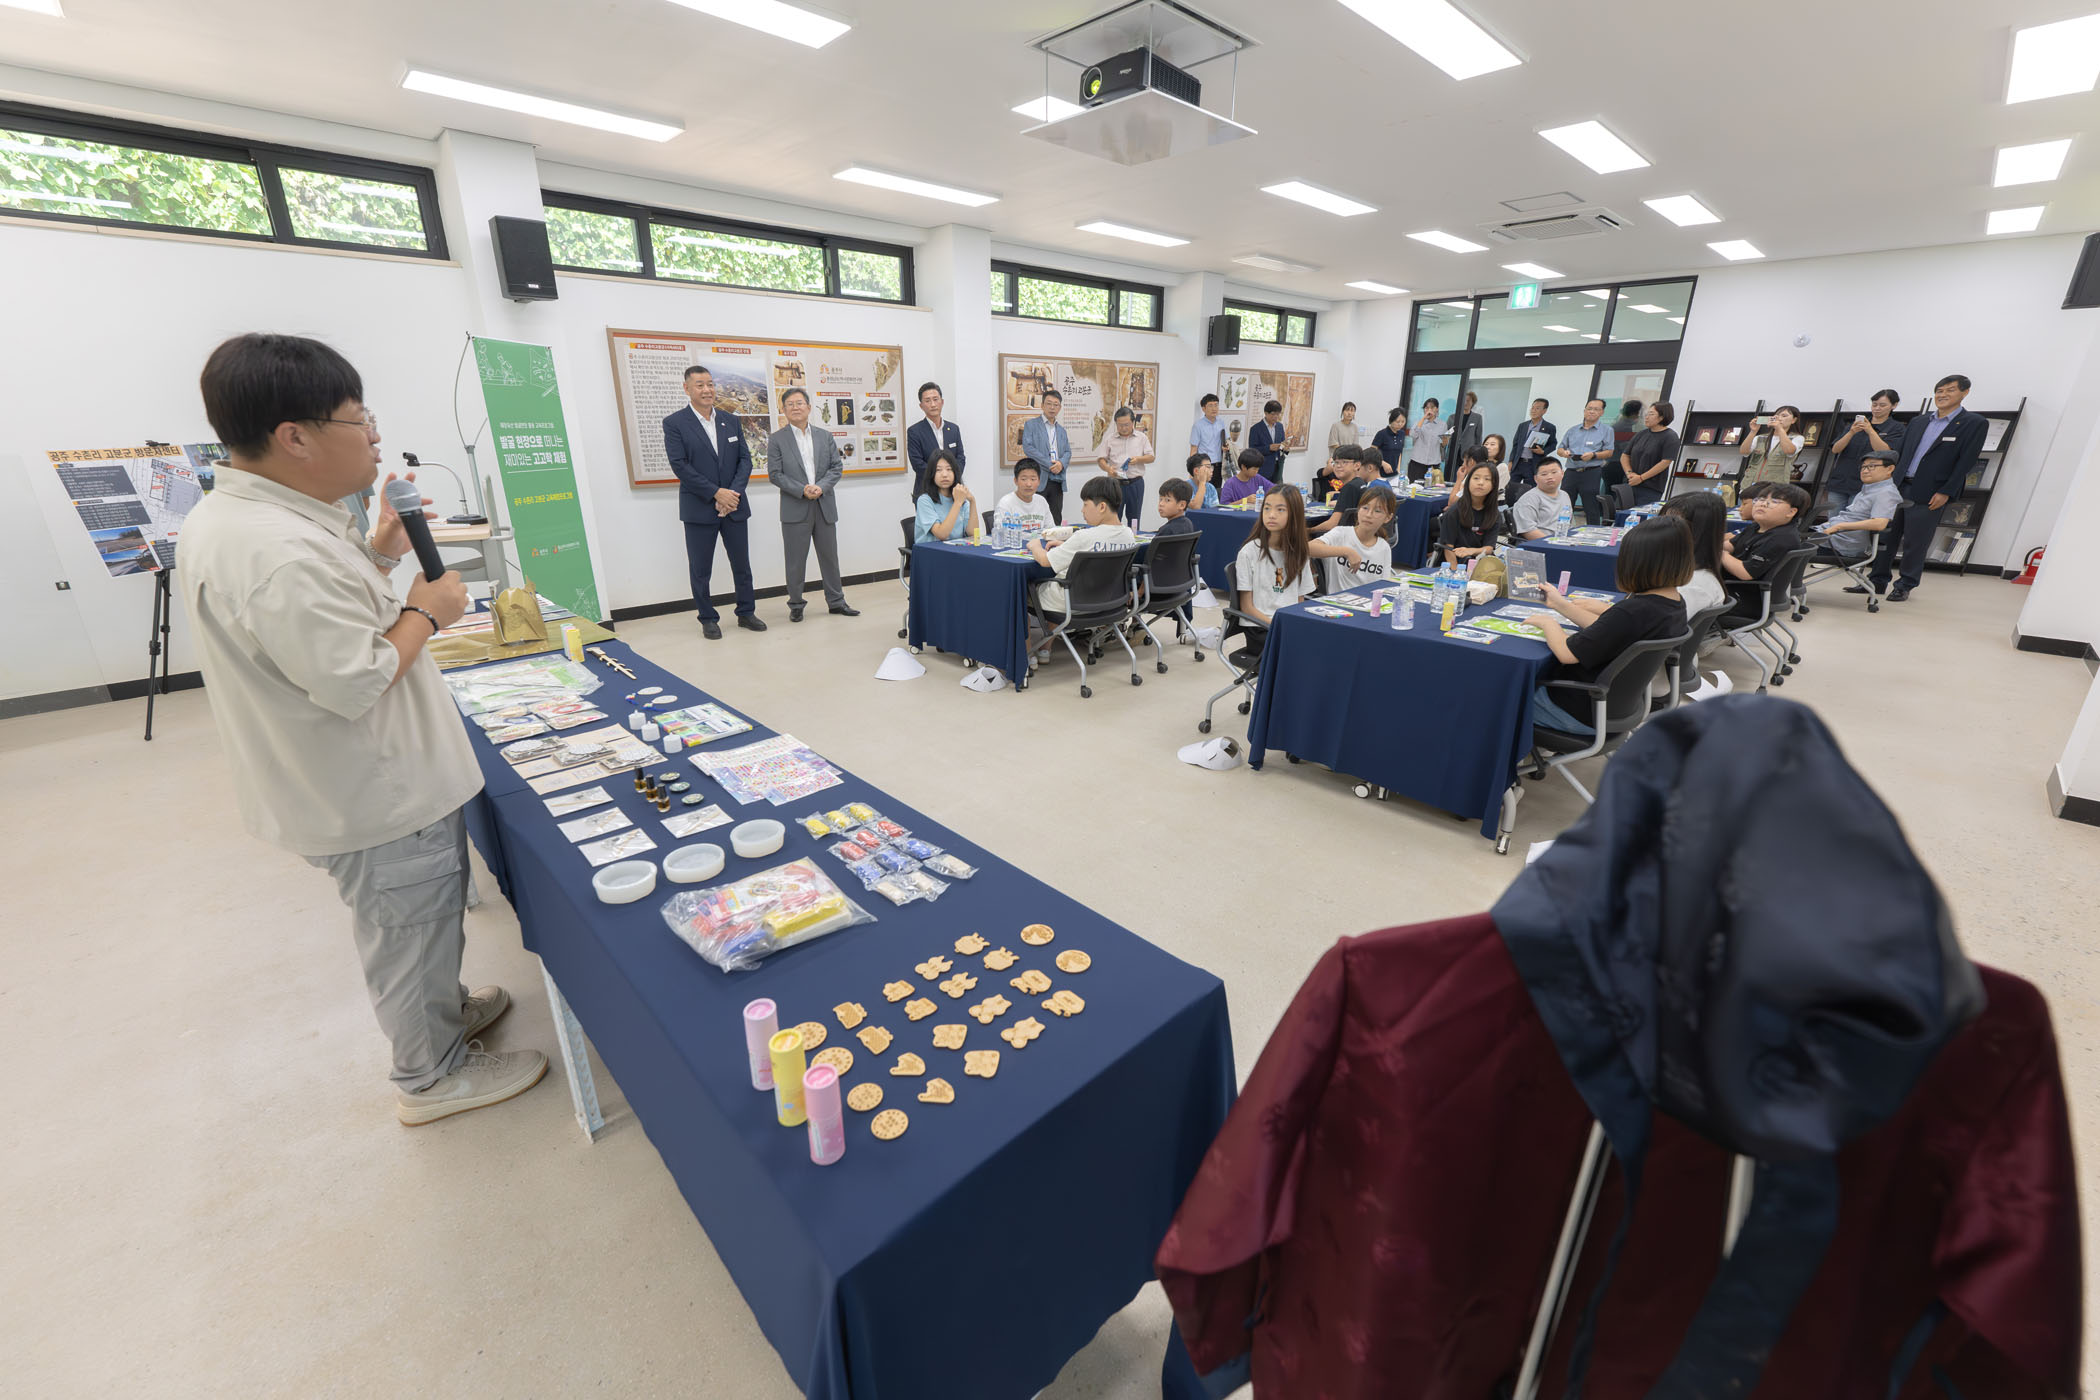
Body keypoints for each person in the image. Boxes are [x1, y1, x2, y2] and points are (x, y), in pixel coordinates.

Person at [179, 332, 544, 1125]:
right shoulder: (275, 549)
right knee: (407, 926)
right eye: (359, 419)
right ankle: (430, 1077)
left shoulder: (261, 519)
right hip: (374, 789)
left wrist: (378, 552)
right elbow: (353, 676)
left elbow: (330, 619)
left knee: (422, 919)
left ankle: (442, 1014)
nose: (375, 436)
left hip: (358, 777)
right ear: (295, 437)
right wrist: (426, 610)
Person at [1528, 517, 1693, 734]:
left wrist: (1548, 623)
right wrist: (1560, 605)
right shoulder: (1673, 604)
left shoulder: (1633, 610)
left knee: (1506, 696)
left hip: (1578, 709)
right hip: (1617, 708)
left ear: (1637, 564)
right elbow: (1608, 631)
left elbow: (1567, 654)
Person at [665, 364, 763, 639]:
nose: (707, 390)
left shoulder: (730, 420)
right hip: (699, 508)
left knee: (742, 565)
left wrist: (731, 494)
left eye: (710, 384)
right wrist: (716, 493)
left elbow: (745, 460)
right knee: (701, 569)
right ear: (687, 388)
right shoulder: (675, 423)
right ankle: (708, 618)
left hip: (734, 506)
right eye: (700, 385)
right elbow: (680, 466)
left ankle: (746, 612)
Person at [1871, 374, 1988, 602]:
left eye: (1950, 390)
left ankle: (1905, 584)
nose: (1943, 395)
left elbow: (1967, 461)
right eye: (1939, 391)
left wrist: (1946, 491)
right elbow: (1899, 454)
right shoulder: (1919, 421)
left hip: (1931, 491)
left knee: (1915, 541)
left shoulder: (1973, 423)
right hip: (1898, 487)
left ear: (1965, 393)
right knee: (1885, 537)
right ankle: (1876, 581)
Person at [769, 387, 856, 622]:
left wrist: (821, 487)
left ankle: (836, 602)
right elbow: (775, 474)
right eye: (790, 404)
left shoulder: (824, 436)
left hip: (823, 505)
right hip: (795, 507)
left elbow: (836, 468)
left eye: (799, 403)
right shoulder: (777, 439)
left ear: (808, 407)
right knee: (795, 561)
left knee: (830, 558)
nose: (795, 407)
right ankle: (796, 604)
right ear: (783, 410)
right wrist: (802, 490)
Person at [1235, 485, 1364, 627]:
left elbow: (1299, 601)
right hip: (1259, 626)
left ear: (1294, 515)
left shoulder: (1297, 552)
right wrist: (1276, 626)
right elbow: (1247, 607)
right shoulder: (1249, 552)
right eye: (1267, 508)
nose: (1271, 515)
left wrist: (1297, 624)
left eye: (1280, 509)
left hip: (1288, 622)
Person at [1027, 475, 1134, 615]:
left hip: (1069, 602)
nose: (1082, 510)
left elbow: (1045, 560)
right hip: (1108, 600)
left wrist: (1035, 545)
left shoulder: (1084, 537)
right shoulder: (1128, 535)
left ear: (1102, 507)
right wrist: (1066, 545)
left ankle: (1045, 630)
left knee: (1021, 592)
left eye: (1085, 504)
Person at [1719, 482, 1809, 623]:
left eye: (1774, 501)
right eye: (1760, 499)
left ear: (1791, 512)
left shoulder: (1781, 538)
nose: (1762, 504)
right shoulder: (1757, 527)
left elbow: (1745, 573)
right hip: (1732, 589)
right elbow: (1729, 545)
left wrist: (1721, 554)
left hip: (1745, 600)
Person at [1817, 451, 1902, 571]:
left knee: (1792, 549)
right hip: (1833, 538)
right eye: (1863, 467)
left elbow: (1879, 523)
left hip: (1843, 545)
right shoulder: (1869, 489)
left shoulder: (1886, 493)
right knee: (1792, 540)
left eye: (1872, 466)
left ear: (1889, 469)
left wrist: (1839, 526)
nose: (1865, 471)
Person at [1823, 389, 1901, 513]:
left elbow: (1884, 452)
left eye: (1882, 405)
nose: (1877, 408)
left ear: (1894, 405)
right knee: (1833, 521)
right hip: (1840, 481)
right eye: (1874, 404)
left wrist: (1870, 431)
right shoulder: (1854, 425)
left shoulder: (1896, 428)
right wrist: (1851, 432)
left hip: (1866, 485)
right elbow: (1835, 449)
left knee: (1855, 521)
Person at [1658, 491, 1731, 618]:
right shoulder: (1683, 571)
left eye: (1671, 523)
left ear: (1698, 532)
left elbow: (1662, 624)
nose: (1659, 528)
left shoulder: (1693, 585)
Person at [1327, 483, 1397, 591]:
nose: (1368, 515)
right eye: (1365, 508)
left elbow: (1384, 585)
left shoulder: (1384, 547)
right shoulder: (1341, 534)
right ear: (1358, 509)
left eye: (1377, 511)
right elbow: (1309, 548)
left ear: (1388, 518)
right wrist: (1346, 551)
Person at [1557, 398, 1615, 525]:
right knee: (1564, 505)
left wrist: (1593, 455)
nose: (1592, 412)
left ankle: (1593, 533)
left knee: (1591, 507)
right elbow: (1560, 449)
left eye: (1596, 409)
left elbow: (1609, 452)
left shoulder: (1607, 430)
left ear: (1602, 412)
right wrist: (1564, 453)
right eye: (1589, 409)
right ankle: (1561, 531)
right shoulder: (1572, 430)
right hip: (1571, 471)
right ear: (1584, 411)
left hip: (1591, 472)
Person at [1097, 405, 1155, 528]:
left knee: (1134, 518)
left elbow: (1151, 457)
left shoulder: (1141, 438)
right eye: (1120, 425)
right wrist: (1108, 469)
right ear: (1116, 424)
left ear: (1133, 422)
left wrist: (1138, 459)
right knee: (1113, 517)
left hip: (1135, 483)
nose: (1123, 428)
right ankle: (1114, 539)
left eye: (1126, 425)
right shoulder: (1110, 439)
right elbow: (1101, 459)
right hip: (1115, 484)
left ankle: (1133, 539)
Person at [1020, 389, 1072, 524]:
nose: (1052, 407)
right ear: (1042, 405)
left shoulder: (1061, 430)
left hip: (1057, 478)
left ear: (1060, 408)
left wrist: (1061, 464)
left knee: (1056, 517)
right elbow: (1028, 448)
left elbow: (1068, 452)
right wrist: (1050, 464)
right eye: (1049, 403)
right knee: (1035, 517)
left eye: (1056, 404)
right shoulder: (1031, 425)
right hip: (1038, 478)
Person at [1438, 460, 1502, 563]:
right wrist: (1456, 571)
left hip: (1480, 562)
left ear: (1493, 485)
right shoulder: (1454, 511)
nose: (1480, 483)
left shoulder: (1494, 514)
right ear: (1468, 482)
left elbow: (1489, 548)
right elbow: (1448, 548)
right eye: (1476, 478)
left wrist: (1471, 551)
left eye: (1487, 479)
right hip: (1455, 562)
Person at [906, 381, 964, 493]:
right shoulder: (914, 431)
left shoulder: (954, 429)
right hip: (926, 490)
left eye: (935, 399)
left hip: (953, 490)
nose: (933, 404)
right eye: (927, 401)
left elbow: (960, 458)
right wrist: (940, 478)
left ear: (942, 402)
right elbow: (917, 464)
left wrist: (951, 478)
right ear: (921, 406)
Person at [1621, 400, 1681, 505]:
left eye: (1651, 414)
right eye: (1646, 414)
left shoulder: (1670, 437)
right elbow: (1625, 456)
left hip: (1651, 488)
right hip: (1630, 484)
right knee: (1621, 513)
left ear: (1662, 417)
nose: (1646, 417)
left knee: (1642, 514)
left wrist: (1641, 478)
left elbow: (1665, 462)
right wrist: (1629, 473)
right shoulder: (1641, 434)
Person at [914, 450, 978, 543]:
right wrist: (957, 503)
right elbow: (942, 534)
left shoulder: (960, 498)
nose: (944, 475)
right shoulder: (924, 500)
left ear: (955, 472)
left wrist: (972, 501)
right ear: (932, 474)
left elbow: (972, 534)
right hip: (932, 550)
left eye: (949, 469)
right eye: (938, 470)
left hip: (956, 549)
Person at [992, 457, 1055, 546]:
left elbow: (1051, 531)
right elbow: (1001, 535)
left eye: (1033, 479)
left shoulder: (1041, 501)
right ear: (1016, 481)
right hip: (1015, 547)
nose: (1028, 484)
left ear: (1039, 481)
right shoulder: (1005, 503)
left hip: (1040, 547)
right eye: (1024, 479)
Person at [1738, 404, 1804, 486]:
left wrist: (1779, 428)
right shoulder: (1760, 437)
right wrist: (1753, 431)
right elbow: (1744, 452)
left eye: (1784, 416)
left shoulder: (1797, 438)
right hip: (1749, 485)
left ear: (1793, 420)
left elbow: (1789, 451)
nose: (1779, 418)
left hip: (1774, 488)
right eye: (1777, 415)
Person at [1508, 398, 1558, 505]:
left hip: (1533, 464)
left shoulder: (1549, 427)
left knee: (1530, 491)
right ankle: (1510, 509)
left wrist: (1543, 452)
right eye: (1532, 408)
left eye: (1537, 408)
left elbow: (1553, 444)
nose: (1533, 410)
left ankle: (1527, 508)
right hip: (1518, 463)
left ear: (1544, 411)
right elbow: (1515, 445)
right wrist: (1511, 461)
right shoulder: (1523, 426)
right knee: (1510, 489)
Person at [1509, 458, 1572, 539]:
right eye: (1544, 474)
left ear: (1562, 473)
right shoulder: (1529, 499)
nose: (1550, 477)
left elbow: (1568, 524)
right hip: (1540, 543)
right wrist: (1554, 542)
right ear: (1535, 478)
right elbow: (1528, 531)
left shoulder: (1564, 495)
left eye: (1554, 472)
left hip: (1562, 540)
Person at [1605, 398, 1643, 499]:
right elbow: (1627, 449)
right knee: (1615, 496)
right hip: (1617, 465)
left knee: (1611, 494)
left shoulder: (1621, 425)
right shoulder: (1624, 427)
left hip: (1613, 464)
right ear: (1636, 413)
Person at [1190, 393, 1229, 485]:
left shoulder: (1221, 422)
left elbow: (1225, 441)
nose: (1214, 408)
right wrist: (1192, 470)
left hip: (1219, 465)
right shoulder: (1198, 425)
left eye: (1216, 405)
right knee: (1204, 490)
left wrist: (1225, 447)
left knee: (1216, 491)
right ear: (1203, 409)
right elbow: (1194, 449)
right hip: (1204, 466)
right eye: (1210, 405)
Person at [1442, 390, 1484, 475]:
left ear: (1472, 402)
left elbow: (1478, 438)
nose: (1465, 403)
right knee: (1449, 476)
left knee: (1465, 477)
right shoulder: (1452, 417)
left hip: (1468, 455)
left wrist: (1477, 457)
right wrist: (1443, 454)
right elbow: (1445, 437)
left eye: (1468, 400)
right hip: (1453, 453)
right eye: (1464, 400)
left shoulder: (1477, 418)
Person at [1250, 399, 1289, 483]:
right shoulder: (1255, 429)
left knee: (1278, 490)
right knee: (1263, 491)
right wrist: (1269, 448)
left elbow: (1282, 444)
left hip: (1278, 469)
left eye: (1278, 414)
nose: (1276, 416)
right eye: (1273, 414)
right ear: (1265, 413)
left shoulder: (1280, 426)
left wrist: (1285, 449)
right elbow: (1252, 451)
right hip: (1263, 469)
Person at [1407, 398, 1445, 481]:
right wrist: (1423, 418)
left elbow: (1442, 444)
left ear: (1437, 409)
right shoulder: (1419, 422)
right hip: (1417, 462)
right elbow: (1412, 434)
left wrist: (1445, 441)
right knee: (1414, 486)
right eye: (1426, 408)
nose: (1429, 410)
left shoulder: (1443, 425)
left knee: (1431, 487)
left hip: (1433, 464)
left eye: (1432, 407)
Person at [1312, 440, 1355, 506]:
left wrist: (1337, 493)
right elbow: (1326, 470)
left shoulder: (1351, 477)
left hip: (1341, 503)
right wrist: (1330, 464)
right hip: (1325, 503)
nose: (1340, 465)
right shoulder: (1327, 473)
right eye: (1337, 462)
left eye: (1344, 462)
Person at [1370, 407, 1406, 476]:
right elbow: (1371, 452)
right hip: (1380, 473)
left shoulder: (1402, 433)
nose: (1400, 424)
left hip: (1394, 473)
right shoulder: (1382, 434)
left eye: (1403, 421)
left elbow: (1399, 453)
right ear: (1391, 421)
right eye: (1398, 422)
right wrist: (1383, 463)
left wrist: (1398, 469)